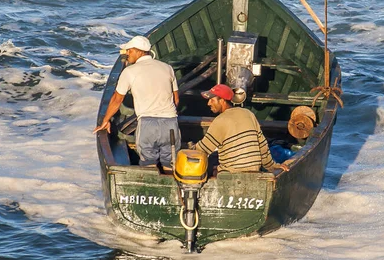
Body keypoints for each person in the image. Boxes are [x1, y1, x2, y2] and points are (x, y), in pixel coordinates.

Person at [93, 35, 180, 168]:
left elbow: (117, 99)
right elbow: (176, 99)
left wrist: (106, 120)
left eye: (129, 50)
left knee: (148, 164)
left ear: (139, 51)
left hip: (147, 124)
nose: (127, 54)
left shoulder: (129, 71)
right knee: (170, 164)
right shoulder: (167, 68)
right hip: (170, 123)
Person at [195, 84, 285, 173]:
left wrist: (187, 151)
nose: (208, 103)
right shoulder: (249, 114)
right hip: (254, 171)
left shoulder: (220, 120)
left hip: (232, 174)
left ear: (222, 100)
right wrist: (273, 167)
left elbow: (202, 150)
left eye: (212, 100)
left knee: (211, 169)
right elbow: (262, 146)